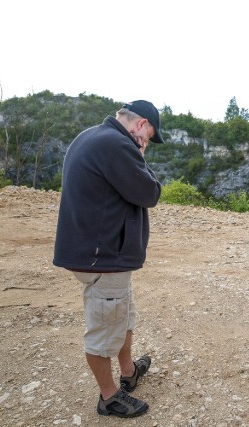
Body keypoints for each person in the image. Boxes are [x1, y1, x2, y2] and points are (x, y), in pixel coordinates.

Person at [53, 100, 164, 417]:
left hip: (96, 252)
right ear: (140, 125)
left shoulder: (91, 135)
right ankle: (109, 396)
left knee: (122, 314)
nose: (144, 144)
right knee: (104, 329)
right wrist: (140, 157)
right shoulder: (118, 144)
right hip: (102, 257)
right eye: (147, 137)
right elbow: (149, 193)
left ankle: (128, 372)